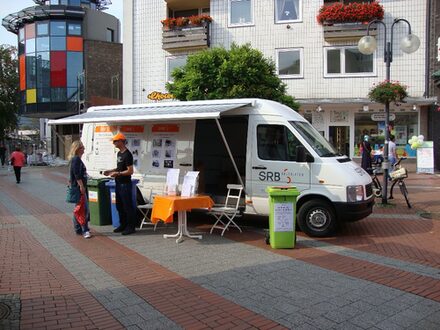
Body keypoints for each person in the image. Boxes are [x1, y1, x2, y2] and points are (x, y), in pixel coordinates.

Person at [103, 132, 136, 235]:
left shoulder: (128, 154)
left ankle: (131, 227)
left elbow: (130, 171)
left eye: (115, 141)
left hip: (125, 184)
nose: (114, 143)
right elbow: (119, 168)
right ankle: (123, 224)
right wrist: (110, 171)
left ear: (121, 141)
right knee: (119, 206)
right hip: (118, 183)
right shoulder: (119, 154)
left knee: (127, 206)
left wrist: (118, 173)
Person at [68, 140, 91, 238]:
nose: (84, 149)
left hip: (78, 187)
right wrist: (81, 186)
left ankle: (78, 228)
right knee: (83, 209)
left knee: (79, 209)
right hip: (79, 188)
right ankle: (84, 229)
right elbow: (77, 174)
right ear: (78, 149)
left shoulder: (77, 159)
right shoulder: (76, 159)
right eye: (82, 147)